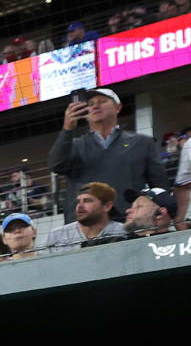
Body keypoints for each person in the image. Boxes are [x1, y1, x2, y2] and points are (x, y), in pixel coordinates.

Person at [48, 87, 171, 217]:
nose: (95, 106)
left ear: (118, 107)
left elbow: (160, 185)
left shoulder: (142, 142)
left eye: (102, 101)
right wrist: (67, 130)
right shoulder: (73, 145)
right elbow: (55, 166)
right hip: (84, 225)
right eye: (90, 104)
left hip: (129, 220)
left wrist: (164, 213)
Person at [42, 182, 128, 251]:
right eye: (78, 201)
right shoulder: (56, 236)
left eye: (87, 201)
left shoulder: (123, 232)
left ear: (107, 206)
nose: (80, 206)